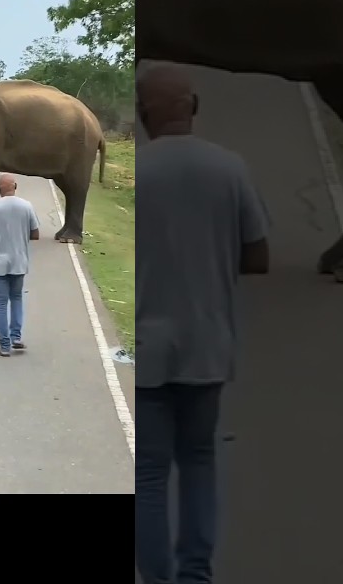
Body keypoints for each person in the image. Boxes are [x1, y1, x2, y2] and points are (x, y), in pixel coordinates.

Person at [134, 62, 270, 584]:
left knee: (148, 475)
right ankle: (196, 575)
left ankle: (157, 576)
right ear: (193, 108)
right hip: (207, 344)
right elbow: (258, 256)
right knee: (198, 462)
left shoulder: (140, 174)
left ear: (145, 116)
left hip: (148, 346)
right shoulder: (229, 168)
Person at [0, 173, 40, 357]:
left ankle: (4, 346)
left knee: (1, 304)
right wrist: (19, 234)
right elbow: (35, 234)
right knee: (17, 298)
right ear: (16, 186)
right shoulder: (26, 206)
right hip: (19, 262)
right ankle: (16, 337)